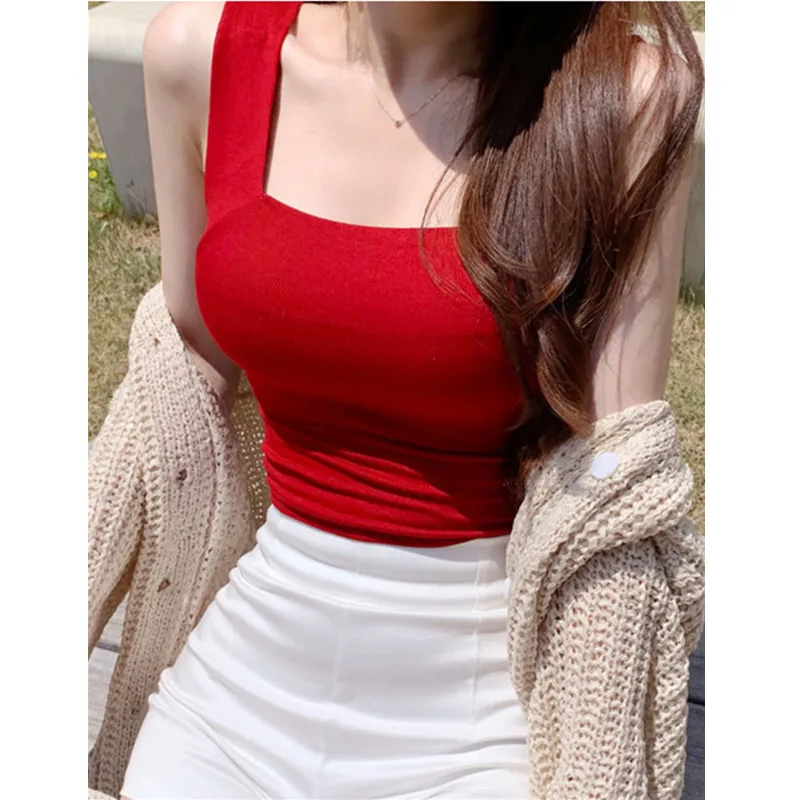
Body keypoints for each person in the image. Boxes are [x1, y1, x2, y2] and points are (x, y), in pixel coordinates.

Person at [112, 2, 703, 798]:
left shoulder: (626, 97)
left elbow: (613, 483)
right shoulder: (200, 55)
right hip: (236, 694)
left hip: (475, 722)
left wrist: (598, 772)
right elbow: (182, 376)